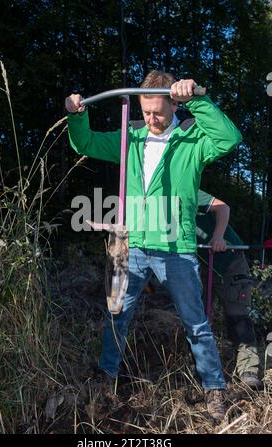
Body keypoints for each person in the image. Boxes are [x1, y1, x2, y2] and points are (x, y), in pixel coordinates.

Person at [65, 70, 242, 422]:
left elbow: (230, 139)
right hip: (132, 245)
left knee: (196, 324)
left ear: (174, 103)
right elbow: (84, 144)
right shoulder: (130, 138)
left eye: (157, 112)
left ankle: (214, 389)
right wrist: (76, 114)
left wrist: (199, 101)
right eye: (145, 112)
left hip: (176, 248)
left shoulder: (193, 140)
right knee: (117, 315)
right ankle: (107, 377)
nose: (151, 118)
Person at [197, 189, 261, 387]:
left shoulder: (185, 188)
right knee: (197, 319)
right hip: (201, 263)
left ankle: (249, 369)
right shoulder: (155, 205)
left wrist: (218, 236)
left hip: (229, 259)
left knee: (237, 315)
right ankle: (202, 367)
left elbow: (223, 207)